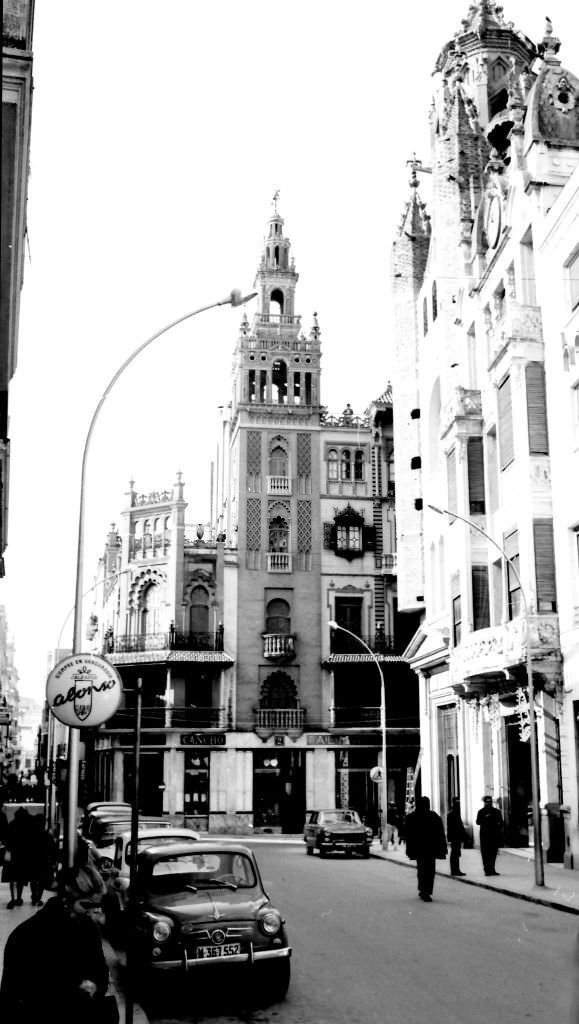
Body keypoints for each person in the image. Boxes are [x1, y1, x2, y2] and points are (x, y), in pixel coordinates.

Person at [0, 866, 110, 1023]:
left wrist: (95, 986)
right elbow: (14, 996)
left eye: (96, 907)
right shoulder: (28, 935)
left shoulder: (87, 928)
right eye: (86, 905)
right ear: (66, 898)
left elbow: (100, 970)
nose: (93, 913)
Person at [404, 795, 447, 901]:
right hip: (431, 849)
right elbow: (440, 835)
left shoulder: (412, 817)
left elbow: (408, 836)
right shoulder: (434, 816)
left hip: (419, 849)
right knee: (430, 871)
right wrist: (442, 849)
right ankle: (427, 891)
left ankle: (423, 890)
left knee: (421, 869)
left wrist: (409, 850)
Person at [3, 805, 33, 908]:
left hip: (13, 854)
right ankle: (19, 897)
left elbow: (7, 839)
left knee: (12, 879)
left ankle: (13, 898)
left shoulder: (12, 824)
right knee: (21, 878)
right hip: (24, 855)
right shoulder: (29, 826)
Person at [28, 816, 57, 907]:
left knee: (33, 879)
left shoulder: (31, 835)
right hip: (44, 861)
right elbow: (53, 849)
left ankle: (34, 896)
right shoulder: (47, 835)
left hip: (33, 860)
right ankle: (38, 898)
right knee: (41, 881)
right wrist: (53, 861)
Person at [476, 795, 504, 876]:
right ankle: (487, 870)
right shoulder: (481, 811)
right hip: (484, 836)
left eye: (490, 801)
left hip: (494, 835)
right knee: (485, 854)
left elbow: (501, 822)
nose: (489, 803)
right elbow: (478, 822)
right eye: (487, 802)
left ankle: (492, 869)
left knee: (493, 853)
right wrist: (485, 818)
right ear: (484, 803)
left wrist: (497, 823)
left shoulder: (496, 811)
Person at [446, 797, 468, 876]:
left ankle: (456, 869)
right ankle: (455, 870)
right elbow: (451, 827)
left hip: (457, 836)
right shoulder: (452, 813)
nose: (458, 804)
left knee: (456, 853)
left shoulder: (455, 813)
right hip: (455, 836)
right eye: (457, 803)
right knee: (455, 854)